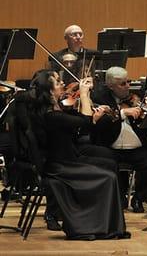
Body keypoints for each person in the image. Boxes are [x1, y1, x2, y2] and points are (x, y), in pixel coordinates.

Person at [28, 70, 129, 239]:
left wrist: (91, 115)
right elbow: (84, 121)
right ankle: (93, 226)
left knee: (108, 169)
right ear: (51, 91)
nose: (62, 84)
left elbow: (82, 125)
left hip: (67, 161)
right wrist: (83, 94)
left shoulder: (55, 111)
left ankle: (100, 224)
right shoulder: (51, 115)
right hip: (61, 167)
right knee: (108, 177)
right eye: (58, 82)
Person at [91, 67, 147, 213]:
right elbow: (101, 123)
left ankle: (138, 199)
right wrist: (123, 113)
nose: (128, 86)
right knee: (109, 164)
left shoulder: (136, 96)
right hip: (110, 146)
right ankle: (118, 198)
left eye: (128, 82)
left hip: (135, 147)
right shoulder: (100, 97)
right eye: (122, 84)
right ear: (110, 86)